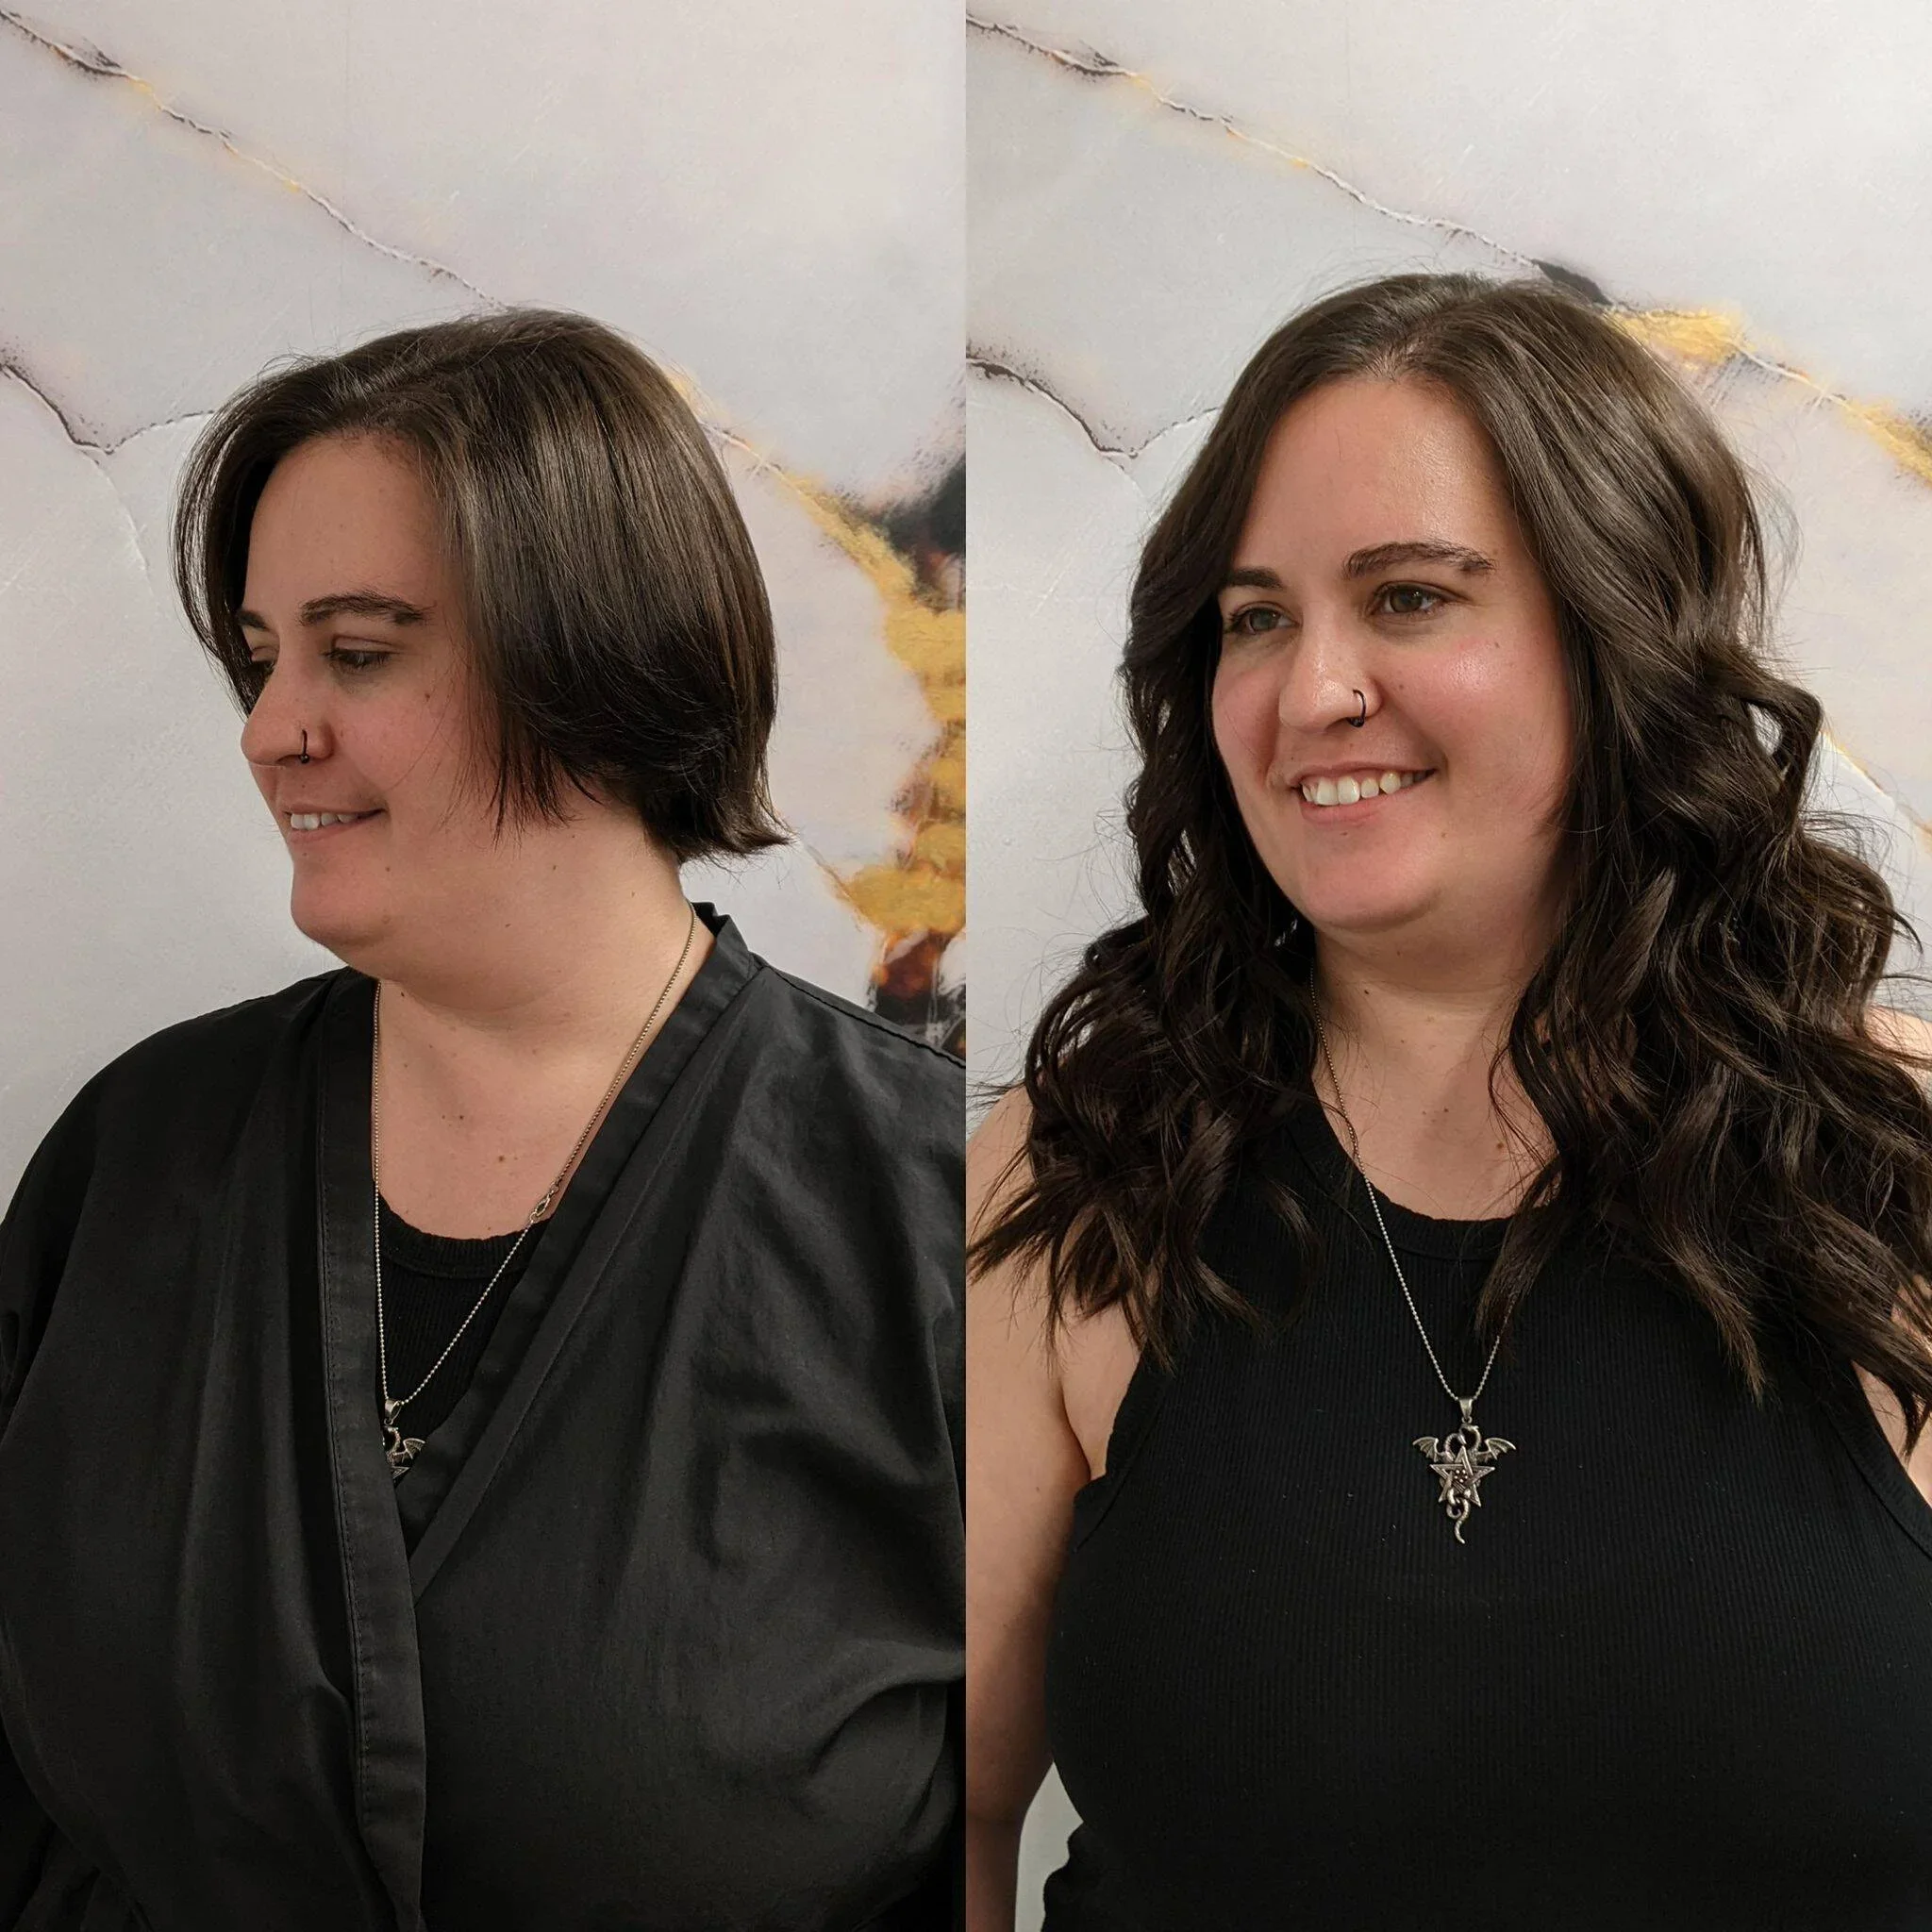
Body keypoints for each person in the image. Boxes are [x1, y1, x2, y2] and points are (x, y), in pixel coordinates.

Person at [966, 272, 1932, 1929]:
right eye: (1255, 617)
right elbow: (936, 1822)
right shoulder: (1078, 1175)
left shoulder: (1894, 1158)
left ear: (1619, 636)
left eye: (1409, 598)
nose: (1309, 690)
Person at [0, 310, 962, 1931]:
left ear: (593, 648)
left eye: (356, 653)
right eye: (260, 656)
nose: (268, 728)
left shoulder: (932, 1214)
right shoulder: (137, 1155)